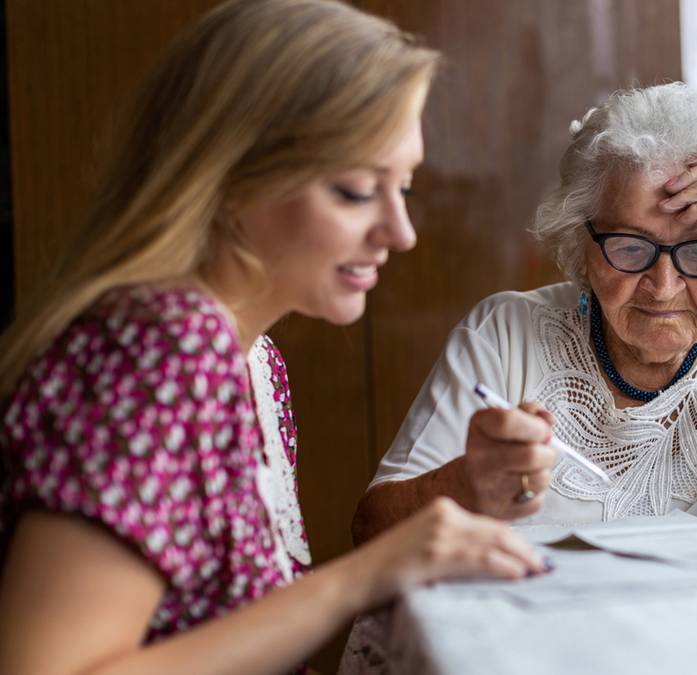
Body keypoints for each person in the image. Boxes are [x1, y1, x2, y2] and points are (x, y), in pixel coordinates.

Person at [0, 1, 549, 673]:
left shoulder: (255, 359)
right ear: (230, 178)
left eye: (403, 187)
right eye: (354, 190)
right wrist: (371, 570)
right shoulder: (161, 351)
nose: (400, 232)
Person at [351, 82, 697, 537]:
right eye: (630, 247)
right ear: (582, 247)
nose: (663, 284)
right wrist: (464, 485)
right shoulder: (506, 334)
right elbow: (373, 528)